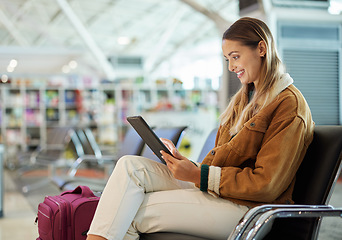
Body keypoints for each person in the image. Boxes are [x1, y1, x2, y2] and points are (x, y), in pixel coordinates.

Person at [86, 17, 314, 240]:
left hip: (248, 210)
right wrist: (185, 163)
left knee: (128, 210)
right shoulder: (245, 99)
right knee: (130, 166)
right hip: (221, 193)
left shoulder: (288, 105)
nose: (231, 66)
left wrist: (198, 174)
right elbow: (224, 164)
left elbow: (266, 184)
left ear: (262, 48)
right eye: (227, 59)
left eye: (235, 57)